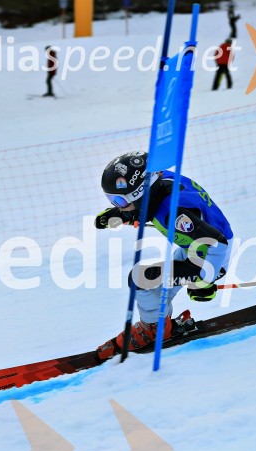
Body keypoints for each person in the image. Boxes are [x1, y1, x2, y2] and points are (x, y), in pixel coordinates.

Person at [94, 151, 234, 359]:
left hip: (208, 259)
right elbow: (147, 205)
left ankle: (153, 329)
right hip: (194, 249)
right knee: (154, 287)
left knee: (140, 279)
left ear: (140, 193)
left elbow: (218, 243)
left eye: (119, 201)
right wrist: (120, 214)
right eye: (112, 200)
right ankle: (159, 324)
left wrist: (205, 279)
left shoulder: (175, 215)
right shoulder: (159, 181)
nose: (117, 206)